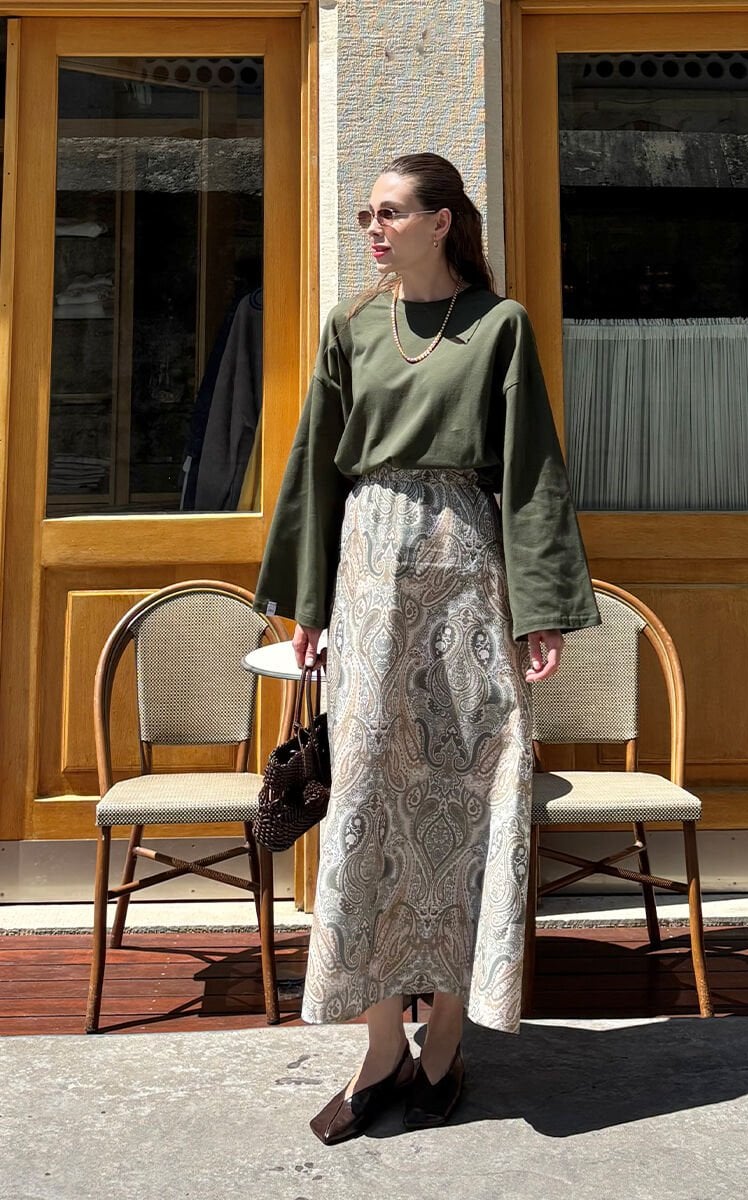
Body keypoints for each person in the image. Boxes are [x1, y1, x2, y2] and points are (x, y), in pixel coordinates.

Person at [254, 152, 600, 1144]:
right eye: (368, 213)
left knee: (467, 795)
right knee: (365, 798)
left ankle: (445, 1041)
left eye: (391, 212)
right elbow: (315, 469)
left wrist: (540, 608)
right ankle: (377, 1052)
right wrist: (307, 600)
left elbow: (529, 472)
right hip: (369, 577)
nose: (373, 228)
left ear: (442, 221)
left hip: (466, 577)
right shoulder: (349, 327)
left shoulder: (499, 325)